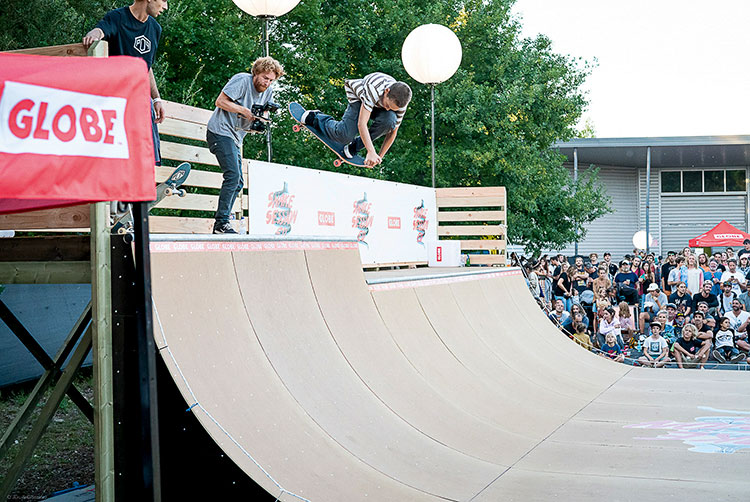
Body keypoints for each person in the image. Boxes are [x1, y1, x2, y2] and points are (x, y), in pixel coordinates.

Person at [83, 0, 168, 165]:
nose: (165, 7)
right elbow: (102, 29)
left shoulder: (155, 29)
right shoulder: (118, 17)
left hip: (140, 100)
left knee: (147, 154)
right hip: (117, 99)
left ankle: (146, 186)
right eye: (163, 0)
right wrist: (94, 34)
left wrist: (156, 98)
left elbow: (146, 67)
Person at [207, 57, 285, 233]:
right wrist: (244, 110)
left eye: (271, 80)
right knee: (233, 176)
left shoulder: (269, 92)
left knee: (239, 182)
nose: (267, 82)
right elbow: (220, 102)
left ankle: (223, 221)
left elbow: (258, 116)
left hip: (236, 137)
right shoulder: (242, 80)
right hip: (220, 131)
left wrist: (259, 122)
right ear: (256, 73)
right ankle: (221, 223)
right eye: (265, 77)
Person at [301, 73, 412, 167]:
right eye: (387, 105)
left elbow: (393, 133)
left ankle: (353, 147)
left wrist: (378, 157)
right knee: (344, 135)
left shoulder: (401, 104)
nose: (387, 109)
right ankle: (316, 118)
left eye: (391, 108)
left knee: (390, 120)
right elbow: (362, 124)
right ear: (386, 91)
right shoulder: (374, 88)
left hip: (376, 106)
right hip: (359, 98)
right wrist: (371, 151)